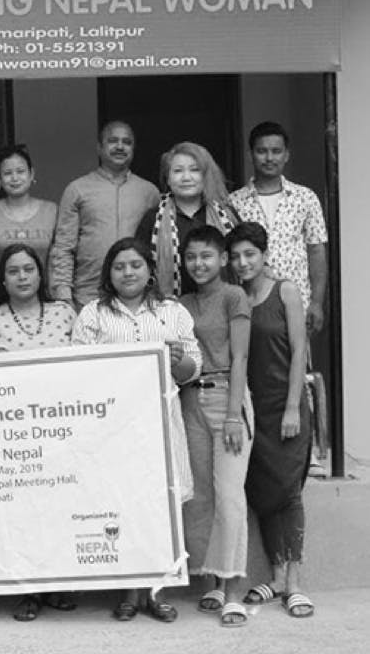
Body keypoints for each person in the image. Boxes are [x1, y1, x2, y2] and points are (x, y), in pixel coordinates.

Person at [71, 237, 200, 623]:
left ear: (149, 271)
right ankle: (128, 590)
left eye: (135, 265)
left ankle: (157, 591)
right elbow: (77, 369)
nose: (128, 272)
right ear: (109, 273)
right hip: (113, 426)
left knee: (161, 505)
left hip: (160, 420)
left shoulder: (171, 312)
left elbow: (193, 367)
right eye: (119, 266)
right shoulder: (93, 314)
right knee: (122, 503)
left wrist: (177, 362)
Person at [0, 243, 77, 620]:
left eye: (28, 270)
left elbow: (86, 369)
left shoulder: (65, 314)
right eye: (14, 271)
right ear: (3, 279)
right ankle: (27, 590)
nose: (22, 277)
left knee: (59, 509)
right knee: (20, 516)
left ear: (40, 274)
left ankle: (56, 585)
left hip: (63, 430)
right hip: (12, 437)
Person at [227, 222, 314, 619]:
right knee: (262, 493)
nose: (242, 262)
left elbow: (299, 352)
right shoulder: (235, 298)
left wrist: (294, 406)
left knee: (288, 492)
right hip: (251, 409)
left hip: (286, 405)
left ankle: (295, 584)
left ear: (264, 255)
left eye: (250, 254)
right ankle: (276, 578)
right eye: (235, 256)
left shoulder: (286, 291)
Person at [178, 226, 254, 628]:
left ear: (223, 259)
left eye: (206, 255)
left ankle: (234, 589)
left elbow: (241, 357)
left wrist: (232, 414)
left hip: (228, 394)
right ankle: (211, 579)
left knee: (229, 496)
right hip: (191, 396)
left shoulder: (233, 295)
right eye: (191, 257)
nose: (199, 264)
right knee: (202, 495)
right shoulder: (181, 303)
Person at [229, 122, 328, 336]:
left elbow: (316, 251)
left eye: (276, 151)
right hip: (250, 303)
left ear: (287, 155)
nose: (269, 158)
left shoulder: (306, 198)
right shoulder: (233, 203)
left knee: (298, 361)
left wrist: (317, 303)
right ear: (250, 155)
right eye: (262, 151)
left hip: (297, 302)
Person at [52, 121, 160, 309]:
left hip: (138, 298)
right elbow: (63, 246)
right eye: (113, 141)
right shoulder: (77, 189)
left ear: (133, 149)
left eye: (127, 142)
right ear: (99, 148)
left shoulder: (150, 192)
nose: (120, 146)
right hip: (87, 296)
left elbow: (160, 248)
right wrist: (63, 294)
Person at [136, 142, 240, 297]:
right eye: (178, 171)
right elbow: (139, 266)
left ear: (205, 176)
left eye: (195, 170)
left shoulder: (226, 215)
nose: (186, 177)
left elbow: (243, 256)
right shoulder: (153, 219)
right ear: (168, 179)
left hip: (221, 307)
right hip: (168, 310)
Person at [0, 145, 58, 311]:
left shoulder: (51, 211)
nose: (14, 178)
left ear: (31, 174)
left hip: (41, 299)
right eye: (7, 173)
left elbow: (57, 259)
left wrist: (58, 297)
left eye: (20, 171)